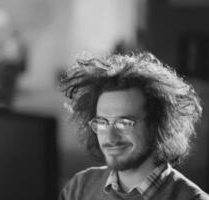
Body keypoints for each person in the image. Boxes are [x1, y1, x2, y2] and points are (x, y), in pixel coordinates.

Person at [59, 52, 209, 200]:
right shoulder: (79, 188)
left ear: (156, 124)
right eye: (102, 122)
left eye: (124, 123)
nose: (110, 137)